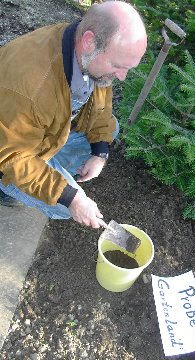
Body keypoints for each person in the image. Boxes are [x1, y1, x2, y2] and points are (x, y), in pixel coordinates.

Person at [0, 0, 147, 228]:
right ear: (89, 41)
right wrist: (71, 197)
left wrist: (100, 153)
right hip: (9, 154)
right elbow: (13, 156)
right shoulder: (30, 88)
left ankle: (45, 171)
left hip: (42, 135)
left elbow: (100, 101)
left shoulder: (86, 52)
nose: (122, 77)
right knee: (62, 207)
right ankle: (7, 188)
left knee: (110, 129)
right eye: (119, 66)